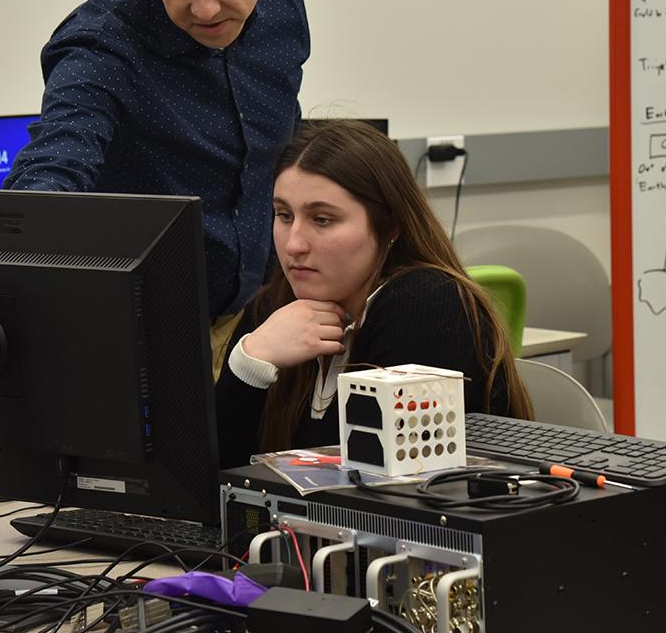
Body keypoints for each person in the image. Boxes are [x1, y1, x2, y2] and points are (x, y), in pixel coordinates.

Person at [3, 0, 309, 323]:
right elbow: (57, 158)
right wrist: (24, 230)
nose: (205, 9)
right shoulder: (103, 46)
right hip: (153, 327)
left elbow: (284, 132)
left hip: (267, 305)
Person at [215, 121, 534, 468]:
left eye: (322, 220)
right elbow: (211, 481)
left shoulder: (427, 303)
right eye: (284, 215)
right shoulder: (272, 307)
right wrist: (251, 362)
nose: (294, 244)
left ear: (390, 225)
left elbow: (378, 480)